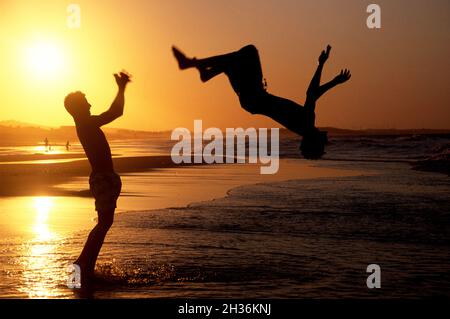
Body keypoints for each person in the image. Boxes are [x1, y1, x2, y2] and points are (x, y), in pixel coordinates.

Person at [172, 44, 351, 159]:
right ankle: (205, 72)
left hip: (254, 95)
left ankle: (193, 64)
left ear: (313, 140)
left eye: (322, 142)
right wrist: (327, 72)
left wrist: (323, 68)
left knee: (248, 52)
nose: (326, 138)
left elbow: (312, 92)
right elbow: (313, 93)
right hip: (251, 100)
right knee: (235, 61)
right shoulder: (305, 124)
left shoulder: (306, 122)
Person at [64, 71, 131, 285]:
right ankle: (81, 266)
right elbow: (116, 112)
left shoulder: (85, 124)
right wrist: (121, 88)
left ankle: (85, 267)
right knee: (104, 223)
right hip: (102, 178)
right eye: (86, 102)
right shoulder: (86, 124)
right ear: (77, 108)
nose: (90, 104)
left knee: (105, 223)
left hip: (104, 178)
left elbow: (115, 112)